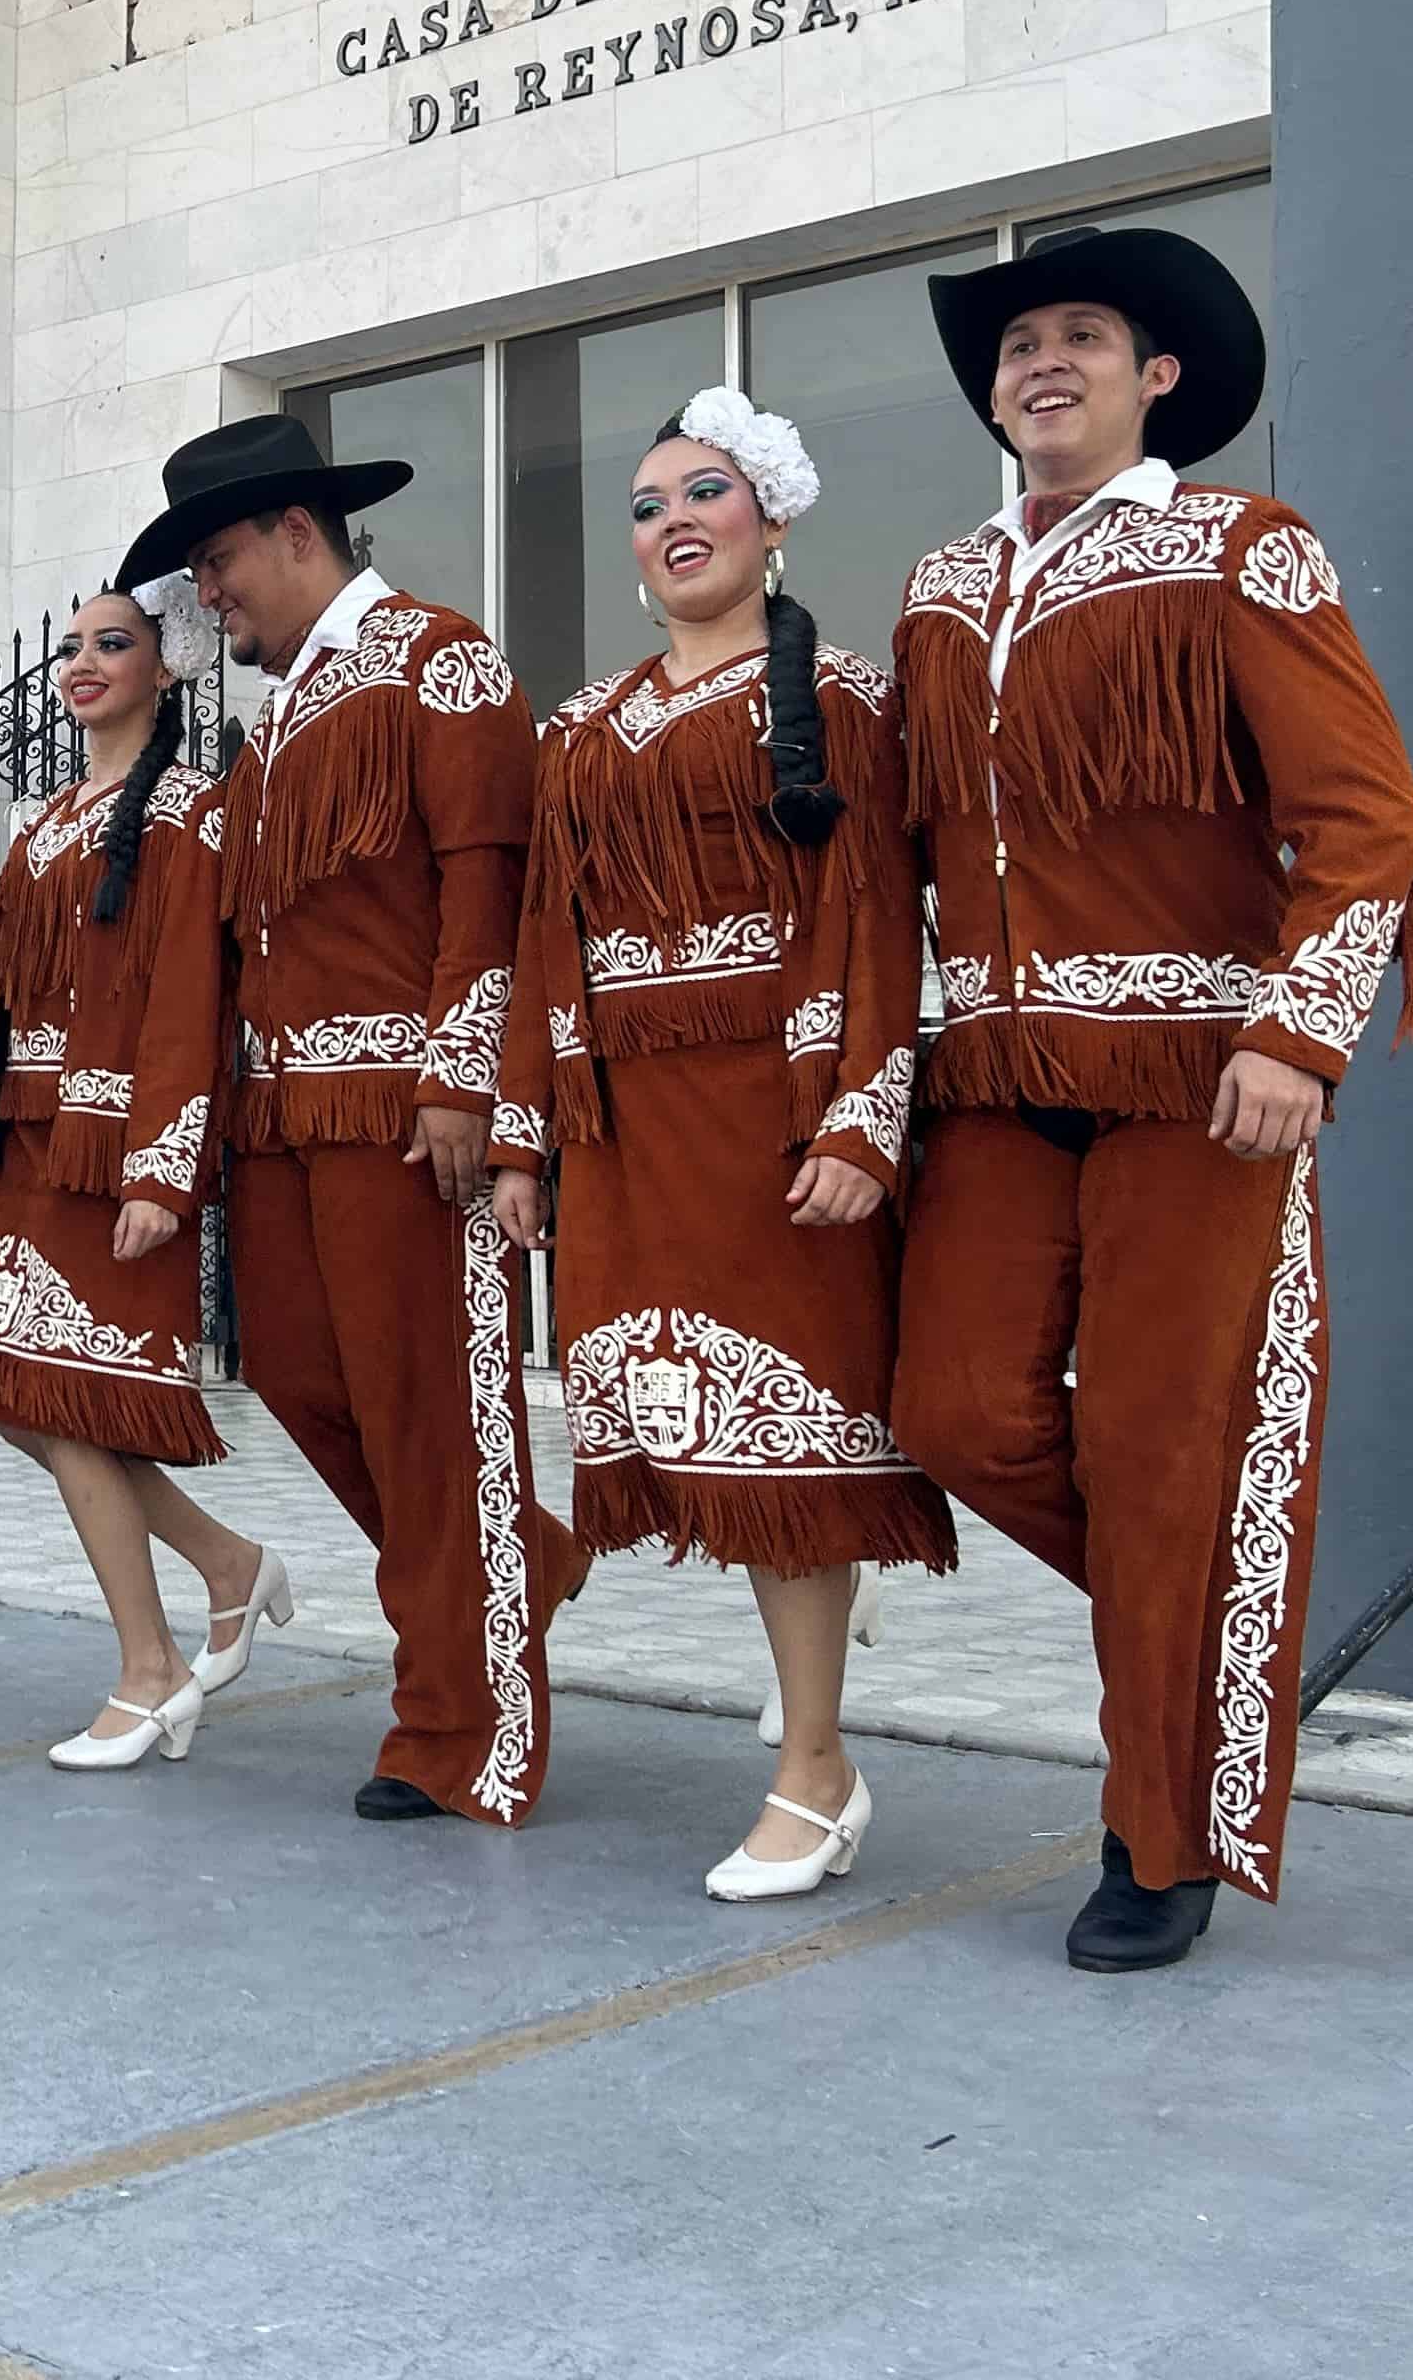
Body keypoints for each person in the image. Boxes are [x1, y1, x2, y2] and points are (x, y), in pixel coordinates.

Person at [889, 227, 1413, 1969]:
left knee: (1163, 1442)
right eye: (1016, 342)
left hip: (1201, 1079)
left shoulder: (1240, 547)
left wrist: (1298, 1030)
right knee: (956, 1408)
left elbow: (1366, 813)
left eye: (1080, 335)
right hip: (987, 1073)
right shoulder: (936, 581)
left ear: (1157, 375)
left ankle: (1158, 1828)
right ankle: (1199, 1621)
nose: (1039, 360)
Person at [490, 393, 956, 1897]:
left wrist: (860, 1117)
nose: (673, 520)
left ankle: (816, 1768)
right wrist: (524, 1138)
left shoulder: (843, 698)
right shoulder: (579, 728)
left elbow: (877, 905)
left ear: (773, 521)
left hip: (774, 1113)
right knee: (691, 1431)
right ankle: (820, 1645)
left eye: (706, 492)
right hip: (627, 1124)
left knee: (792, 1448)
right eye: (645, 503)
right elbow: (537, 939)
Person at [119, 415, 583, 1826]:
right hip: (284, 1121)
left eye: (217, 564)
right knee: (315, 1394)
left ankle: (458, 1722)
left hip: (403, 1114)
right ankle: (522, 1567)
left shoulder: (441, 662)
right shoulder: (280, 721)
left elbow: (485, 886)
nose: (208, 597)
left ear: (297, 535)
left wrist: (465, 1078)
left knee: (433, 1419)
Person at [0, 582, 288, 1771]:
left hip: (119, 1155)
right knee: (1, 1387)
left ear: (168, 669)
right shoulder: (39, 822)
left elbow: (194, 995)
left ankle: (150, 1668)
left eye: (113, 646)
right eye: (73, 647)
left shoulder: (193, 815)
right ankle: (224, 1564)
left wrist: (162, 1166)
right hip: (31, 1145)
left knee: (70, 1405)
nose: (82, 664)